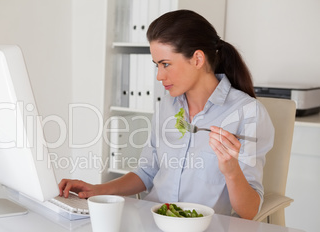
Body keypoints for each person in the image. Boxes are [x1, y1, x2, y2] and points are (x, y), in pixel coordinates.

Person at [59, 10, 274, 220]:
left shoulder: (247, 113)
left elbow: (250, 210)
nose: (159, 76)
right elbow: (147, 171)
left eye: (166, 64)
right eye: (157, 65)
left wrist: (232, 171)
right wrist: (97, 190)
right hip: (153, 224)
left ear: (197, 59)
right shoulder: (168, 106)